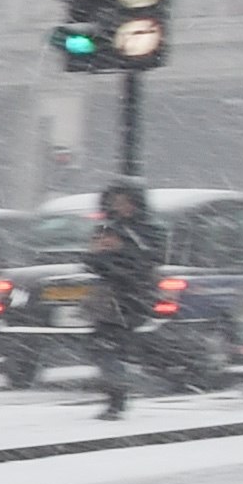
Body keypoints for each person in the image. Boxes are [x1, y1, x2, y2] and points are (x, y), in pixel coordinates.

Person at [84, 179, 164, 420]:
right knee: (102, 346)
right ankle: (115, 394)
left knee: (116, 346)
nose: (120, 206)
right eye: (115, 201)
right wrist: (104, 256)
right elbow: (91, 260)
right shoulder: (107, 228)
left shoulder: (150, 230)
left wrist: (117, 253)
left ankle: (118, 395)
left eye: (124, 201)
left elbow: (146, 262)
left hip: (133, 297)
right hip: (107, 299)